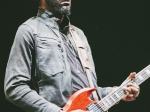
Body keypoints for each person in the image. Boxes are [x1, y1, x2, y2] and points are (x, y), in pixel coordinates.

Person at [4, 0, 140, 112]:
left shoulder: (78, 35)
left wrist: (118, 91)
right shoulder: (29, 31)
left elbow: (90, 92)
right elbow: (14, 87)